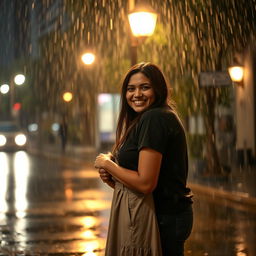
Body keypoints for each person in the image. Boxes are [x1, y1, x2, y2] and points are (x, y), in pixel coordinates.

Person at [94, 62, 193, 256]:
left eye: (144, 87)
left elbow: (146, 183)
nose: (136, 94)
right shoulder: (150, 118)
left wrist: (107, 164)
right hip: (160, 213)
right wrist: (114, 178)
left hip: (163, 217)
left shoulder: (155, 118)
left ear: (158, 89)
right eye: (131, 89)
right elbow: (148, 183)